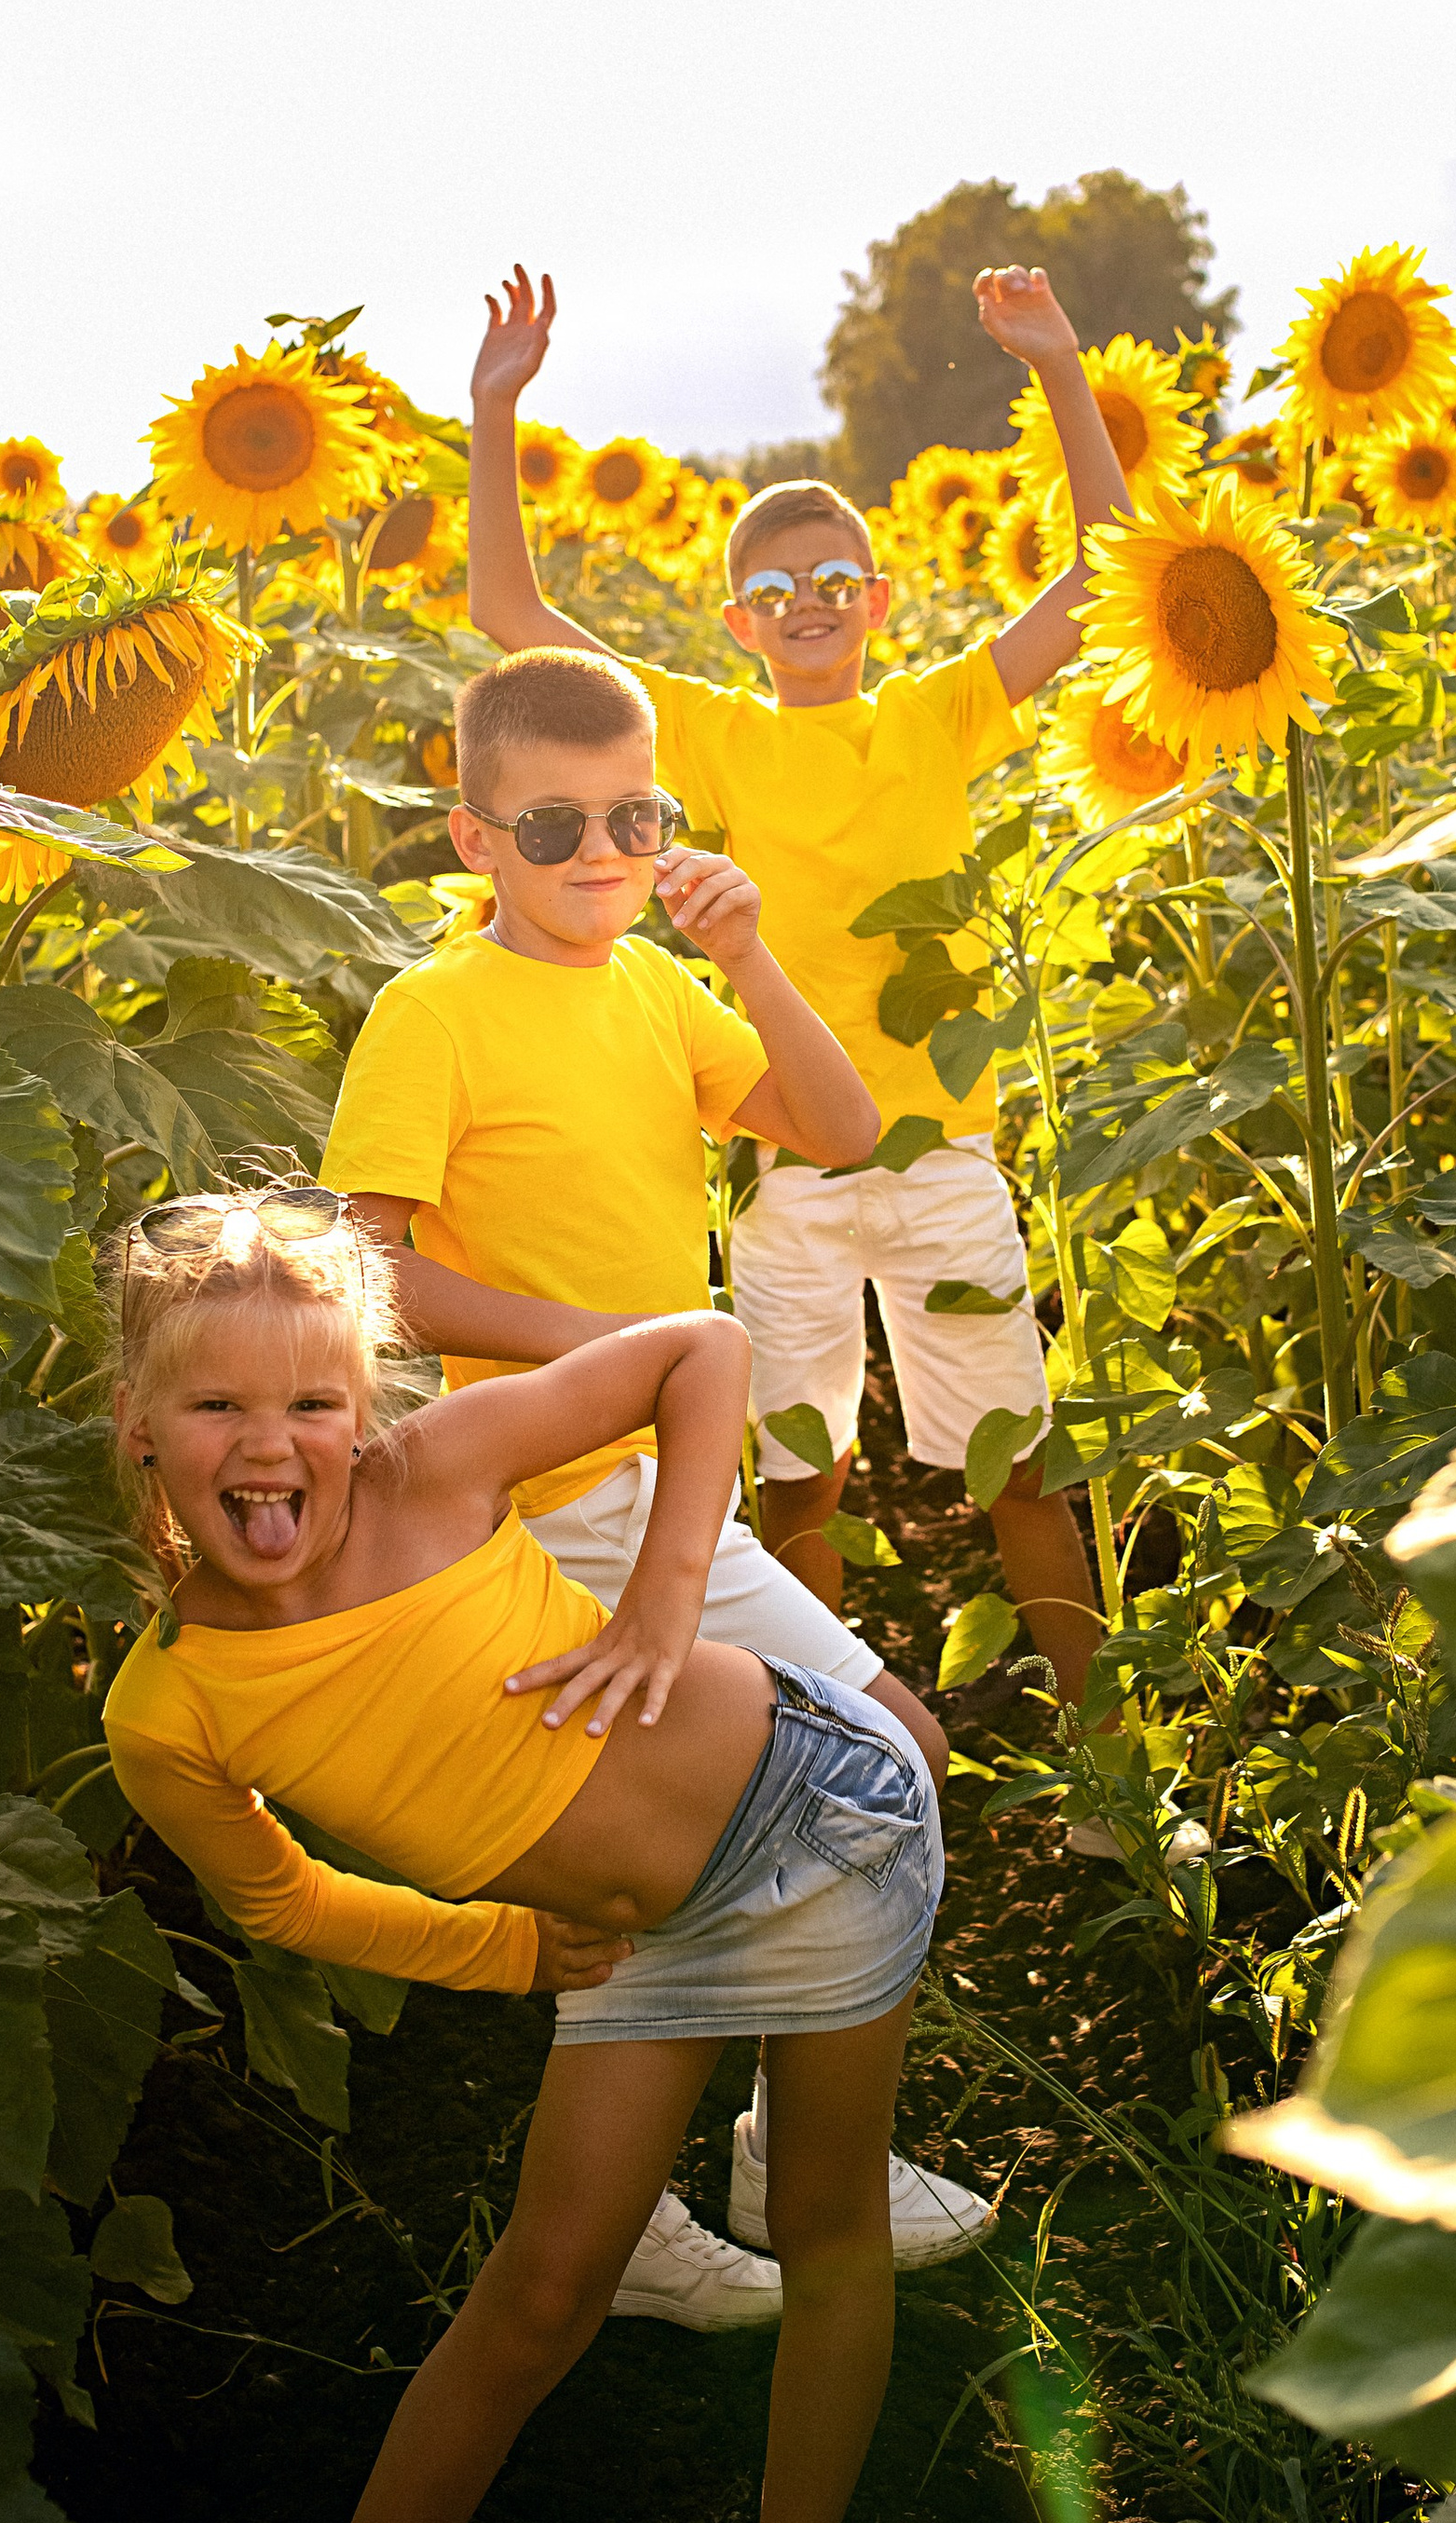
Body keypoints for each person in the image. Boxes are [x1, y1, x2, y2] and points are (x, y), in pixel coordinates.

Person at [103, 1184, 932, 2523]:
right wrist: (502, 1952)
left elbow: (698, 1349)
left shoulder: (440, 1473)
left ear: (366, 1413)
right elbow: (280, 1895)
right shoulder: (171, 1708)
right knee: (539, 2296)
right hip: (638, 1941)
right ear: (142, 1429)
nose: (273, 1446)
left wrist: (664, 1601)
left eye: (315, 1404)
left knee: (829, 2226)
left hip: (827, 1826)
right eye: (219, 1406)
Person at [316, 644, 996, 2315]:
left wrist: (750, 954)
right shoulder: (434, 1011)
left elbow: (840, 1123)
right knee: (645, 1858)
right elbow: (366, 1268)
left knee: (892, 1749)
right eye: (556, 829)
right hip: (537, 1512)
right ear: (472, 840)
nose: (605, 855)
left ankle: (775, 2151)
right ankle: (625, 2239)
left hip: (662, 1485)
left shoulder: (649, 988)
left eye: (640, 814)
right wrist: (605, 1350)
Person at [464, 262, 1131, 1848]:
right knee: (797, 1490)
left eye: (836, 577)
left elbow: (1112, 572)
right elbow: (512, 618)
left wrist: (1057, 367)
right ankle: (831, 1775)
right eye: (775, 590)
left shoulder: (939, 713)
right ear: (735, 623)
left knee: (1017, 1471)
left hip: (944, 1155)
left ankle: (1111, 1774)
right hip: (778, 1170)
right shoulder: (706, 733)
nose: (809, 603)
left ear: (879, 597)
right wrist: (496, 411)